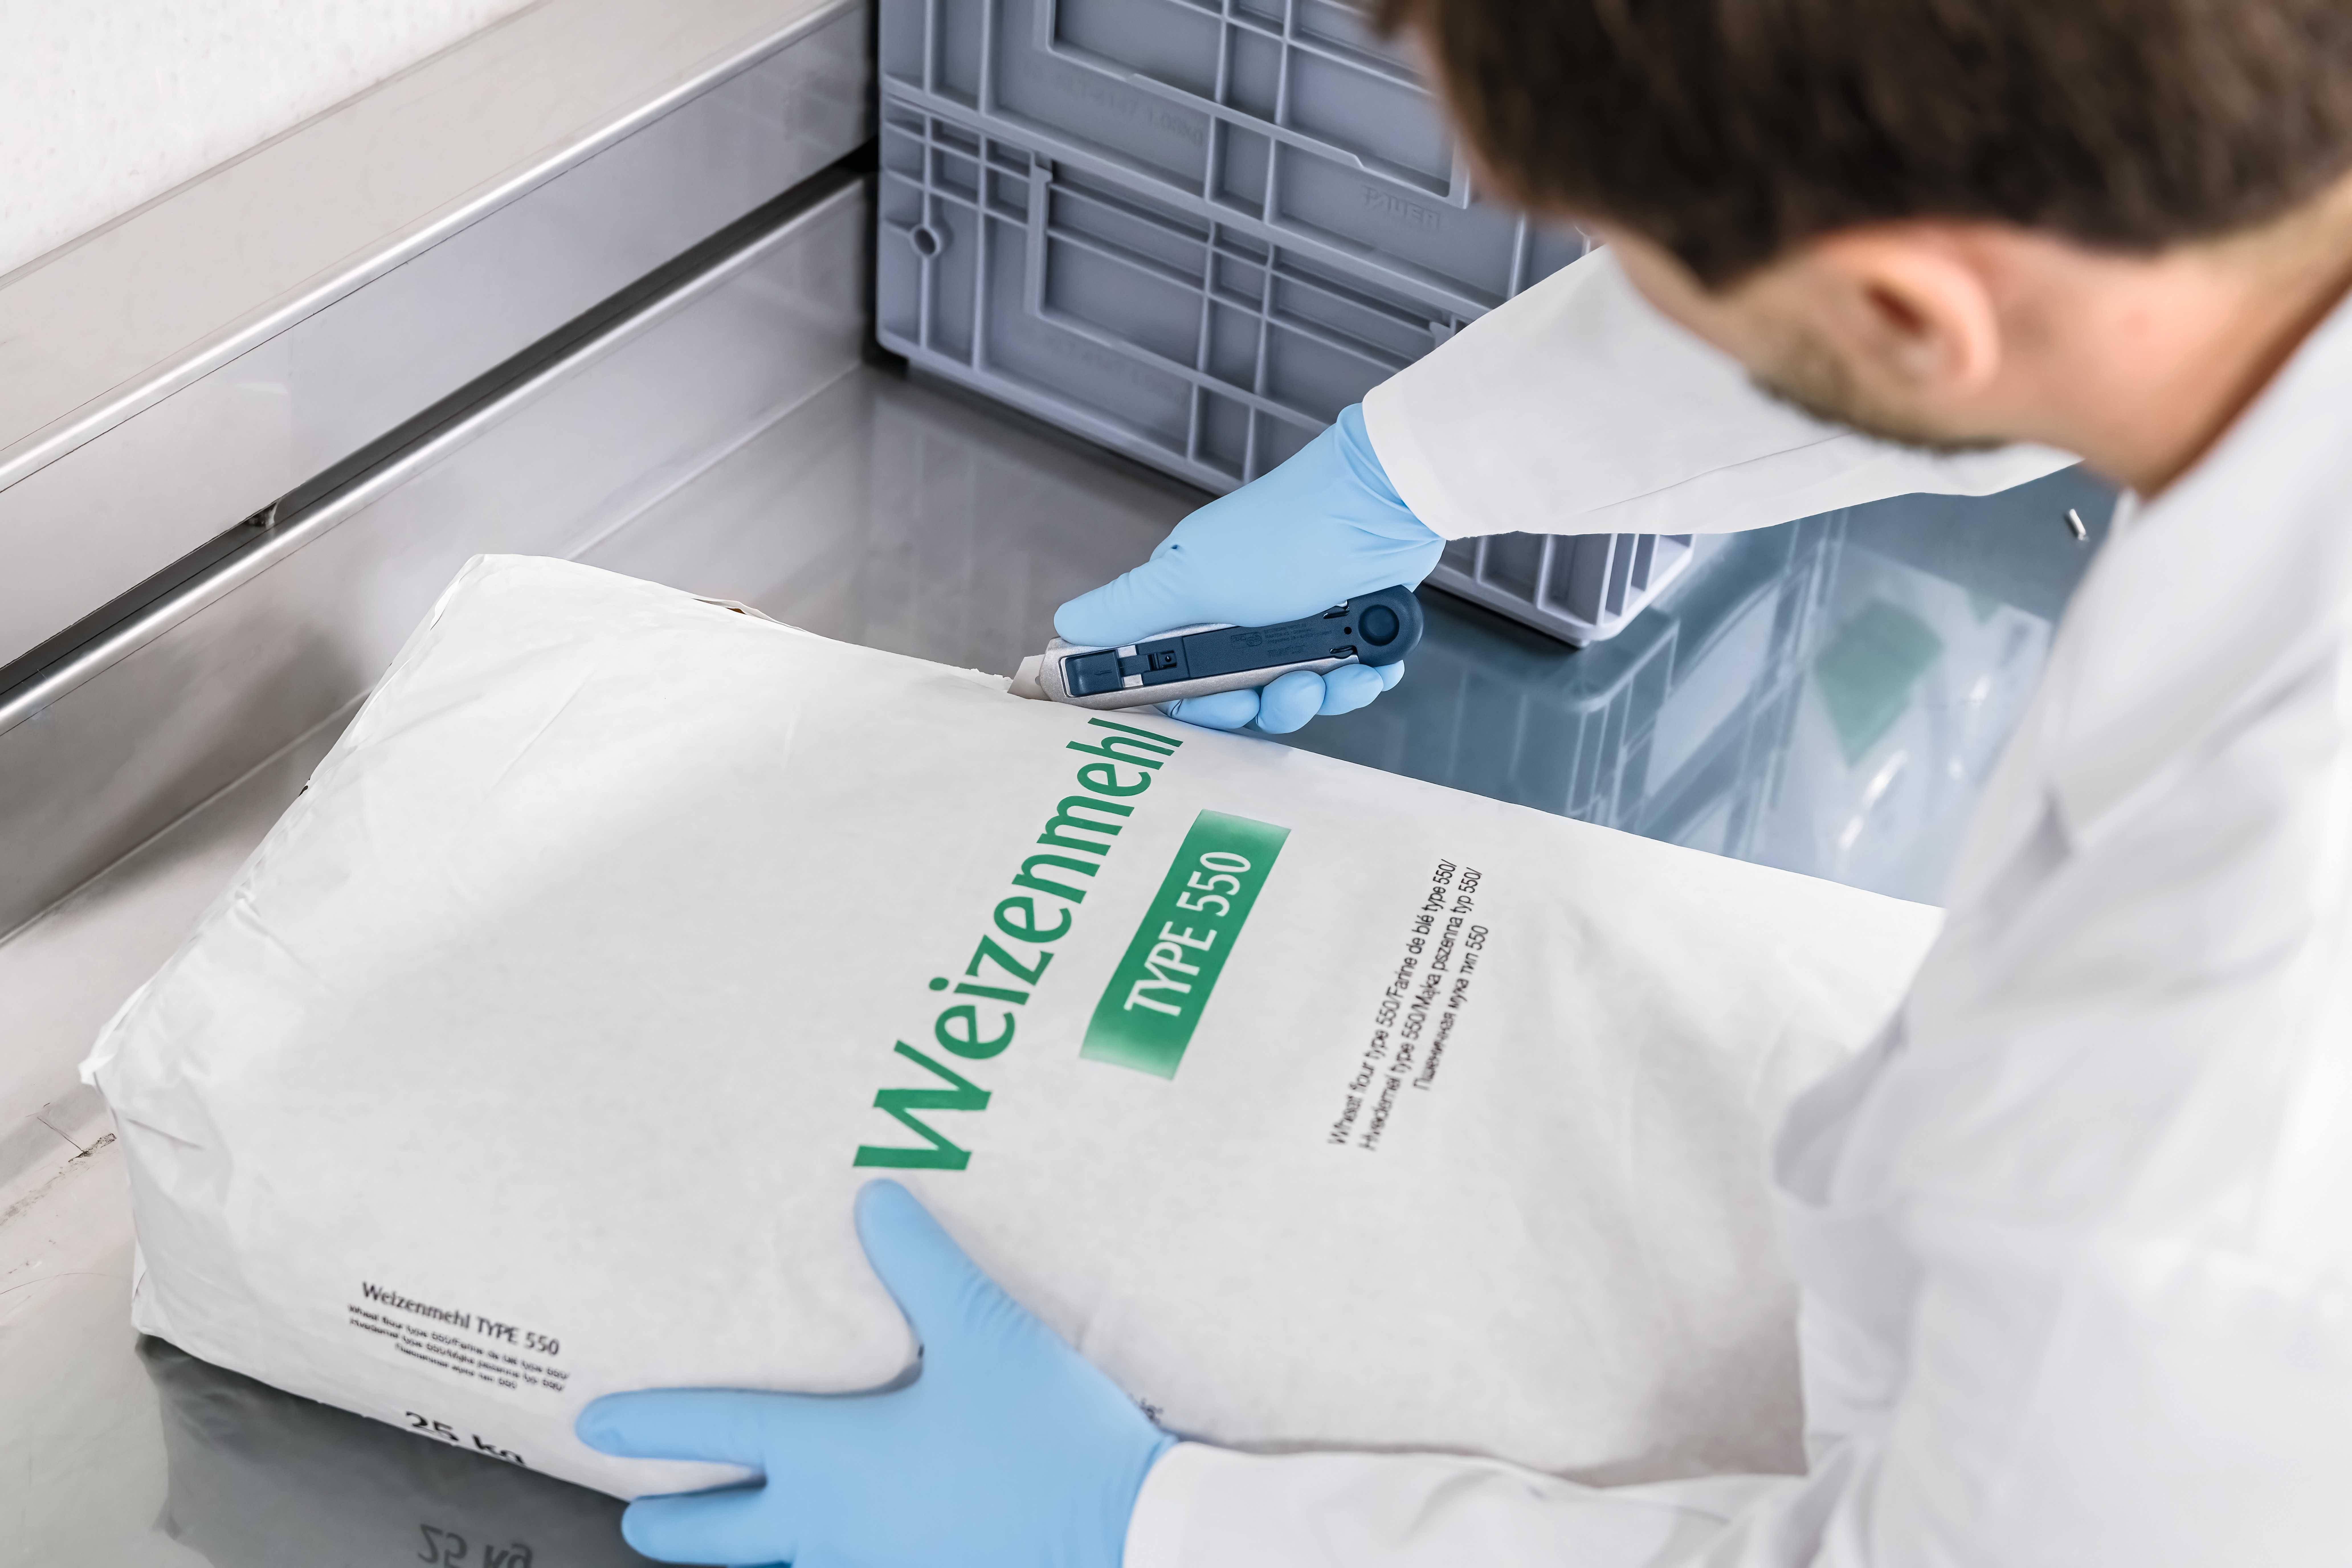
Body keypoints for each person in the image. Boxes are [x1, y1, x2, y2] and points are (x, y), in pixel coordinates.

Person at [575, 1, 2352, 1561]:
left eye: (1642, 262)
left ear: (1910, 305)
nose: (1634, 292)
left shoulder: (2224, 1064)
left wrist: (1155, 1532)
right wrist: (1401, 473)